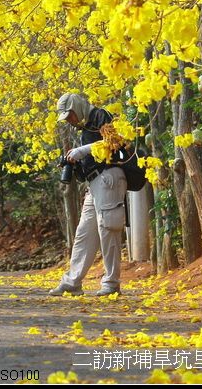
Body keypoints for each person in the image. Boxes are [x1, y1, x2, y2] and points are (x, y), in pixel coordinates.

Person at [49, 93, 127, 297]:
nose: (70, 121)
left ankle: (111, 283)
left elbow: (115, 143)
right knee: (84, 231)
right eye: (67, 118)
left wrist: (82, 151)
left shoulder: (101, 116)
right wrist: (74, 163)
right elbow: (86, 165)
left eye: (70, 115)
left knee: (108, 228)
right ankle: (73, 282)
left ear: (77, 106)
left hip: (108, 177)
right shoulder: (86, 128)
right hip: (94, 183)